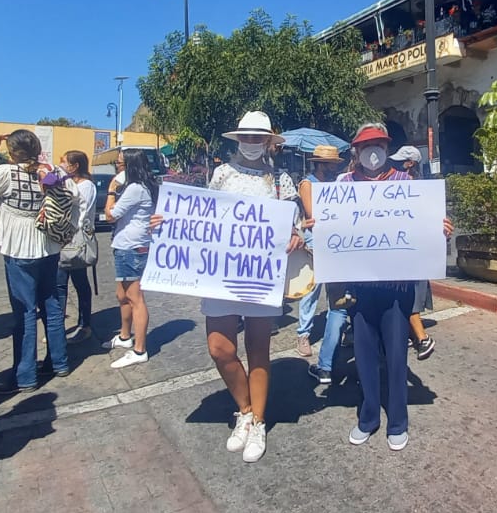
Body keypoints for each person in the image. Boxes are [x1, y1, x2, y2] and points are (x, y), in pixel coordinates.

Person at [156, 111, 301, 463]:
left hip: (260, 277)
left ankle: (259, 422)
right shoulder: (221, 174)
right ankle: (246, 410)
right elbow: (202, 217)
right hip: (220, 277)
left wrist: (295, 235)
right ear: (238, 140)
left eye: (258, 138)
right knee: (220, 349)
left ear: (269, 142)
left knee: (258, 350)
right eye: (246, 137)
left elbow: (292, 223)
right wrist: (169, 222)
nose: (252, 143)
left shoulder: (281, 180)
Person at [322, 124, 451, 451]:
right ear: (356, 152)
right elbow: (332, 227)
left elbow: (424, 226)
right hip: (361, 290)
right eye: (366, 146)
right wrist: (318, 227)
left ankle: (397, 422)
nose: (373, 151)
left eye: (378, 144)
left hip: (397, 288)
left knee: (396, 357)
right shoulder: (345, 186)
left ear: (386, 147)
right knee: (364, 357)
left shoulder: (407, 185)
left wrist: (441, 229)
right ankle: (368, 418)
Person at [0, 130, 71, 394]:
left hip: (20, 245)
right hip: (48, 242)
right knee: (52, 305)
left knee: (24, 311)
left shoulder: (7, 172)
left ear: (12, 152)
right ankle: (59, 362)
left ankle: (25, 376)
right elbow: (71, 194)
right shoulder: (51, 170)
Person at [105, 150, 157, 368]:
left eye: (120, 165)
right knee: (122, 294)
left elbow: (110, 215)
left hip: (131, 247)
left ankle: (140, 349)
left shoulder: (135, 189)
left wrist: (110, 191)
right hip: (129, 245)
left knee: (135, 298)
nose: (117, 169)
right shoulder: (145, 186)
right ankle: (125, 337)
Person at [295, 145, 343, 361]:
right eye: (331, 165)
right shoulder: (308, 184)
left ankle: (339, 330)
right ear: (320, 164)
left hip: (335, 240)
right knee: (311, 290)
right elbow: (313, 213)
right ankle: (303, 334)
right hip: (316, 241)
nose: (334, 168)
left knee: (338, 289)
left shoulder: (335, 183)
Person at [391, 144, 435, 360]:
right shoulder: (397, 183)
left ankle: (422, 338)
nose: (395, 164)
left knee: (407, 295)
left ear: (410, 164)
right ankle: (412, 335)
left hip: (411, 249)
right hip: (404, 248)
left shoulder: (413, 186)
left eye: (400, 161)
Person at [56, 150, 97, 343]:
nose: (61, 164)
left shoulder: (86, 185)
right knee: (59, 284)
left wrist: (69, 233)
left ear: (75, 166)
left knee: (80, 283)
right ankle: (56, 327)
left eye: (64, 161)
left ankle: (84, 324)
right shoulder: (68, 183)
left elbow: (82, 213)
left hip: (74, 240)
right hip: (61, 239)